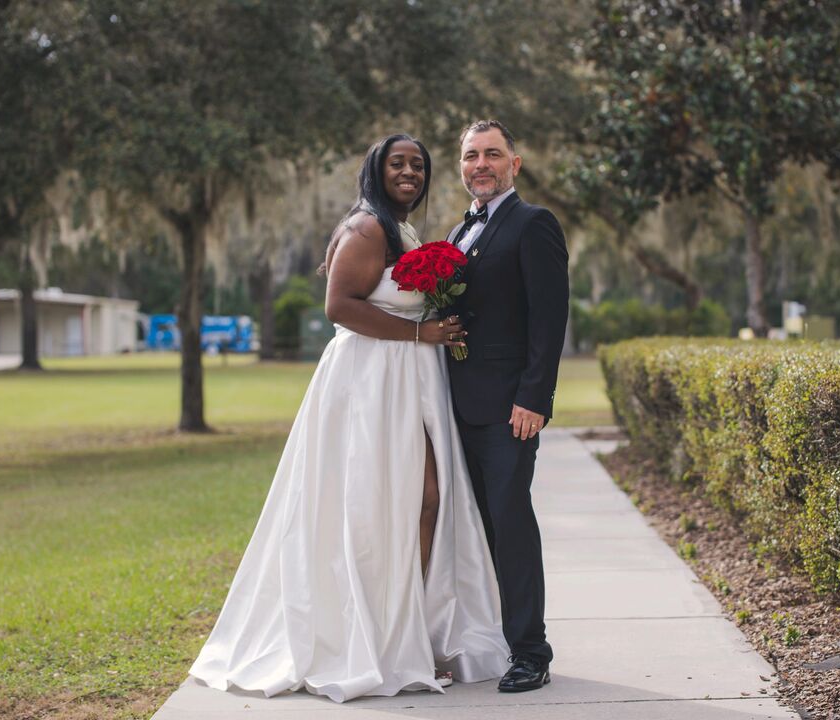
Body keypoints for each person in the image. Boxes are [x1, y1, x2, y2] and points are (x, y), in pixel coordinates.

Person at [188, 134, 509, 703]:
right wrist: (420, 332)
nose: (409, 172)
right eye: (397, 163)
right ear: (375, 171)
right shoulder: (366, 228)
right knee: (381, 506)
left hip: (406, 381)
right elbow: (338, 306)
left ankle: (406, 632)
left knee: (420, 501)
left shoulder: (401, 230)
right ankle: (376, 641)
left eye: (418, 165)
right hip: (369, 384)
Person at [444, 120, 570, 692]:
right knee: (471, 528)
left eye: (492, 154)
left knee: (510, 523)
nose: (481, 165)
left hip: (507, 411)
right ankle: (478, 639)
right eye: (472, 155)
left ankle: (530, 652)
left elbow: (549, 316)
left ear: (514, 164)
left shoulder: (533, 223)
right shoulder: (459, 231)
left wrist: (534, 397)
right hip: (453, 405)